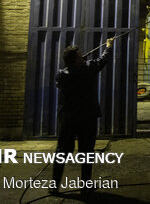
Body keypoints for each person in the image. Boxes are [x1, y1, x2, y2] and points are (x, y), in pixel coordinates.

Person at [50, 37, 114, 195]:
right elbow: (103, 59)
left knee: (62, 151)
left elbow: (71, 72)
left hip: (68, 119)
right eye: (79, 56)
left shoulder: (61, 75)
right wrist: (109, 46)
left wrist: (78, 62)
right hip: (87, 118)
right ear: (76, 60)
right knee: (87, 151)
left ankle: (54, 186)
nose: (82, 57)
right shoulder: (88, 68)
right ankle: (85, 185)